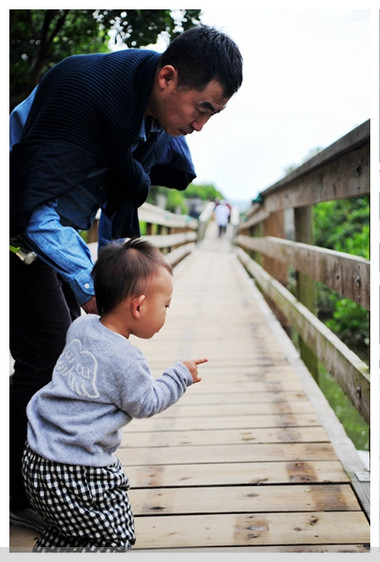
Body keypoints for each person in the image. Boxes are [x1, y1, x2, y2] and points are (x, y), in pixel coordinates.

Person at [9, 25, 243, 531]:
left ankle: (42, 470)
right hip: (20, 221)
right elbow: (32, 207)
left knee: (61, 348)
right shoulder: (85, 94)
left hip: (58, 226)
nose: (201, 126)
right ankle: (21, 489)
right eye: (202, 109)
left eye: (213, 115)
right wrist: (99, 286)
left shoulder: (146, 105)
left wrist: (103, 279)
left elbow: (159, 174)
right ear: (167, 77)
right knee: (46, 352)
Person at [22, 238, 207, 551]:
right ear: (137, 306)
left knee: (69, 530)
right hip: (77, 471)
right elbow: (147, 401)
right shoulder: (126, 360)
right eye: (165, 306)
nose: (166, 314)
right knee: (114, 536)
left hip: (36, 460)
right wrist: (178, 376)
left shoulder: (80, 328)